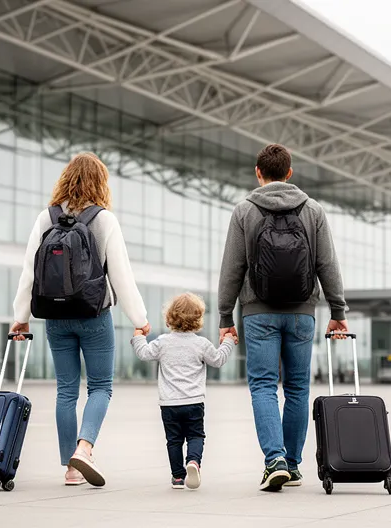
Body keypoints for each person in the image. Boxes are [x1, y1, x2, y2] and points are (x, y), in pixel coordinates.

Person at [11, 152, 151, 488]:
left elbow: (29, 271)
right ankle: (84, 448)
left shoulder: (46, 218)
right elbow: (121, 275)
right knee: (101, 386)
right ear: (100, 183)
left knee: (66, 391)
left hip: (55, 317)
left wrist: (20, 317)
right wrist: (139, 318)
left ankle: (70, 468)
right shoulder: (104, 220)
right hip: (93, 315)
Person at [217, 144, 349, 492]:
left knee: (263, 386)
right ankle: (291, 464)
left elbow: (232, 267)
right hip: (302, 313)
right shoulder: (313, 210)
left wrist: (224, 315)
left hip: (258, 312)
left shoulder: (245, 210)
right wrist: (338, 311)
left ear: (258, 172)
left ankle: (273, 460)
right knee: (297, 387)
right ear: (289, 173)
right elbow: (327, 264)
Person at [131, 293, 236, 490]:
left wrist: (138, 337)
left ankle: (178, 477)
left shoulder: (162, 342)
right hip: (194, 402)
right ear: (198, 319)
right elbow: (218, 360)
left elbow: (143, 353)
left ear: (170, 317)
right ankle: (193, 462)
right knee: (195, 436)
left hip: (169, 404)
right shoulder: (201, 344)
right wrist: (228, 341)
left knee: (174, 440)